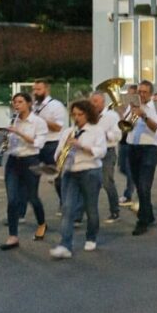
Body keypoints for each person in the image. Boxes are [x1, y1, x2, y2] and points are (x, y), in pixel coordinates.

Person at [49, 99, 108, 259]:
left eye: (80, 114)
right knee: (67, 208)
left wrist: (81, 146)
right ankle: (65, 245)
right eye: (74, 114)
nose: (77, 117)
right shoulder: (68, 131)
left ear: (88, 114)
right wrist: (61, 155)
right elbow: (57, 153)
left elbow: (101, 152)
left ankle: (91, 237)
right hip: (70, 172)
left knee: (91, 208)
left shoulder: (96, 131)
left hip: (90, 171)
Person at [0, 92, 49, 250]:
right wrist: (5, 143)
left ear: (29, 103)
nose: (17, 105)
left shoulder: (38, 122)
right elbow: (11, 142)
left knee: (32, 197)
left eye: (20, 102)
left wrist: (18, 132)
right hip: (14, 162)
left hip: (31, 161)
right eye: (15, 102)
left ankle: (42, 223)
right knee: (12, 199)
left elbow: (38, 144)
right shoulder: (14, 120)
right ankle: (13, 236)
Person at [127, 80, 157, 235]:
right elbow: (124, 125)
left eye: (144, 92)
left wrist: (144, 116)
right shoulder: (132, 106)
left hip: (150, 147)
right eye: (139, 92)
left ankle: (142, 221)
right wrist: (131, 115)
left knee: (144, 185)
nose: (141, 95)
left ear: (151, 93)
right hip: (132, 147)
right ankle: (148, 215)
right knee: (138, 184)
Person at [32, 79, 67, 206]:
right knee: (30, 177)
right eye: (34, 89)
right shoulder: (34, 105)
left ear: (47, 90)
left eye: (38, 89)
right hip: (36, 144)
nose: (35, 92)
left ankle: (65, 203)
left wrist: (39, 120)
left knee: (57, 178)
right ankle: (21, 212)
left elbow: (58, 127)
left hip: (51, 144)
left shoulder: (56, 105)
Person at [90, 91, 124, 224]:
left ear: (103, 102)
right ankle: (81, 214)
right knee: (89, 183)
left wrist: (101, 133)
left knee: (107, 182)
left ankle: (115, 211)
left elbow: (117, 135)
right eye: (91, 101)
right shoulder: (88, 115)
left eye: (95, 101)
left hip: (107, 151)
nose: (93, 104)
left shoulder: (111, 116)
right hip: (91, 151)